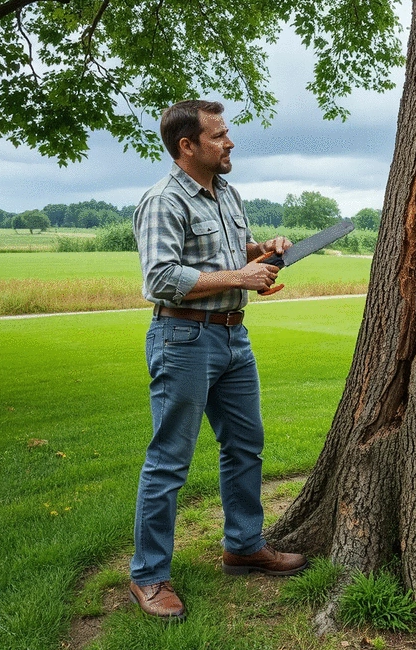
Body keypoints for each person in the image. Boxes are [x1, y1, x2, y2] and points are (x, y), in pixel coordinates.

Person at [129, 99, 307, 620]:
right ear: (188, 146)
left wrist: (260, 253)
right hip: (183, 340)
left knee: (246, 445)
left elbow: (226, 257)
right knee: (169, 462)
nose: (230, 143)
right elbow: (159, 279)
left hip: (233, 338)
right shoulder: (163, 201)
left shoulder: (227, 193)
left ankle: (244, 545)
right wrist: (239, 278)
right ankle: (148, 575)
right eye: (219, 135)